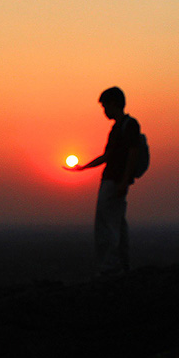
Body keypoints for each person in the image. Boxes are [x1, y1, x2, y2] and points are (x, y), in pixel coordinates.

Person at [66, 87, 142, 276]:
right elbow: (107, 156)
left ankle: (110, 268)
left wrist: (124, 180)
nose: (104, 111)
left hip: (115, 182)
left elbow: (133, 152)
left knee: (107, 226)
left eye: (105, 106)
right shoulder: (117, 128)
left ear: (114, 104)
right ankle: (122, 266)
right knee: (117, 225)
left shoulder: (129, 125)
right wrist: (83, 167)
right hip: (112, 181)